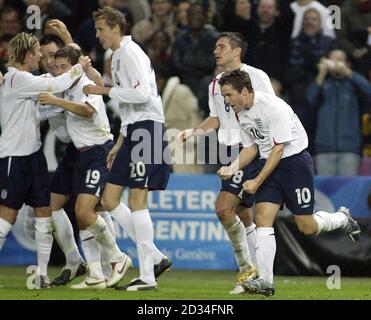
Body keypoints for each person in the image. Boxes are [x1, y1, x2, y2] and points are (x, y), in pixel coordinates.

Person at [217, 69, 361, 296]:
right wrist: (233, 167)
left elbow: (279, 149)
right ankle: (265, 280)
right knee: (262, 219)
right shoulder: (240, 112)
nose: (226, 101)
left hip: (294, 165)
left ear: (245, 91)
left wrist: (255, 181)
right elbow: (252, 147)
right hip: (269, 162)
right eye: (224, 96)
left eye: (229, 95)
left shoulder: (274, 108)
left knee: (307, 226)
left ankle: (342, 219)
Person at [178, 32, 275, 294]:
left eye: (221, 47)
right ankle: (255, 275)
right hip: (234, 152)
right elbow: (216, 118)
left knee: (223, 208)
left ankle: (247, 271)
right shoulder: (215, 84)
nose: (215, 51)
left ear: (237, 51)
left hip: (257, 152)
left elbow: (272, 111)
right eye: (215, 47)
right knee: (244, 216)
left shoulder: (257, 77)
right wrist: (195, 131)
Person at [83, 6, 172, 291]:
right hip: (134, 131)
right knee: (109, 200)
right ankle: (156, 257)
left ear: (115, 28)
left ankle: (147, 276)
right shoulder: (118, 56)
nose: (97, 35)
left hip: (149, 129)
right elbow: (129, 105)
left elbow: (143, 94)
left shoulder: (131, 53)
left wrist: (104, 90)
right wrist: (120, 142)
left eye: (101, 29)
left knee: (137, 201)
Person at [0, 32, 90, 289]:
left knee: (43, 213)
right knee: (7, 217)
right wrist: (78, 68)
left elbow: (45, 100)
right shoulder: (17, 78)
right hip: (13, 157)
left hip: (33, 156)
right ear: (27, 55)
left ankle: (41, 276)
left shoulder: (20, 80)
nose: (41, 56)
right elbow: (54, 85)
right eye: (38, 52)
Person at [37, 46, 130, 289]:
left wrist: (55, 101)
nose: (59, 72)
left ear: (75, 67)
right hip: (81, 153)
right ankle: (96, 275)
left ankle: (118, 258)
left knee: (86, 211)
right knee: (83, 214)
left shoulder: (86, 84)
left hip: (98, 152)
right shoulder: (63, 87)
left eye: (64, 67)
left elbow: (88, 111)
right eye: (56, 67)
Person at [307, 49, 371, 176]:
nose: (336, 63)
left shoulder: (353, 84)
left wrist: (347, 72)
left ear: (347, 63)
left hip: (349, 148)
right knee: (327, 191)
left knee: (348, 191)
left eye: (339, 60)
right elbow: (311, 99)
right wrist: (321, 74)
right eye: (333, 60)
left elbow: (368, 91)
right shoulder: (322, 82)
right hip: (324, 148)